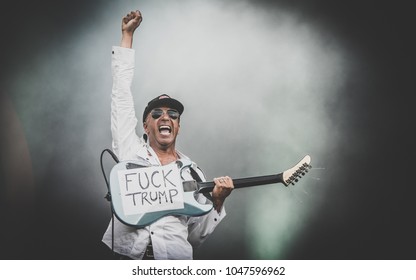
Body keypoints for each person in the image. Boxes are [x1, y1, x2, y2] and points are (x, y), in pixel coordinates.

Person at [102, 10, 234, 260]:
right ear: (145, 126)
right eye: (157, 114)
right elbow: (121, 94)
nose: (165, 117)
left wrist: (217, 202)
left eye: (173, 114)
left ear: (178, 126)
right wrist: (127, 36)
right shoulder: (131, 152)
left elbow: (194, 237)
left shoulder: (193, 172)